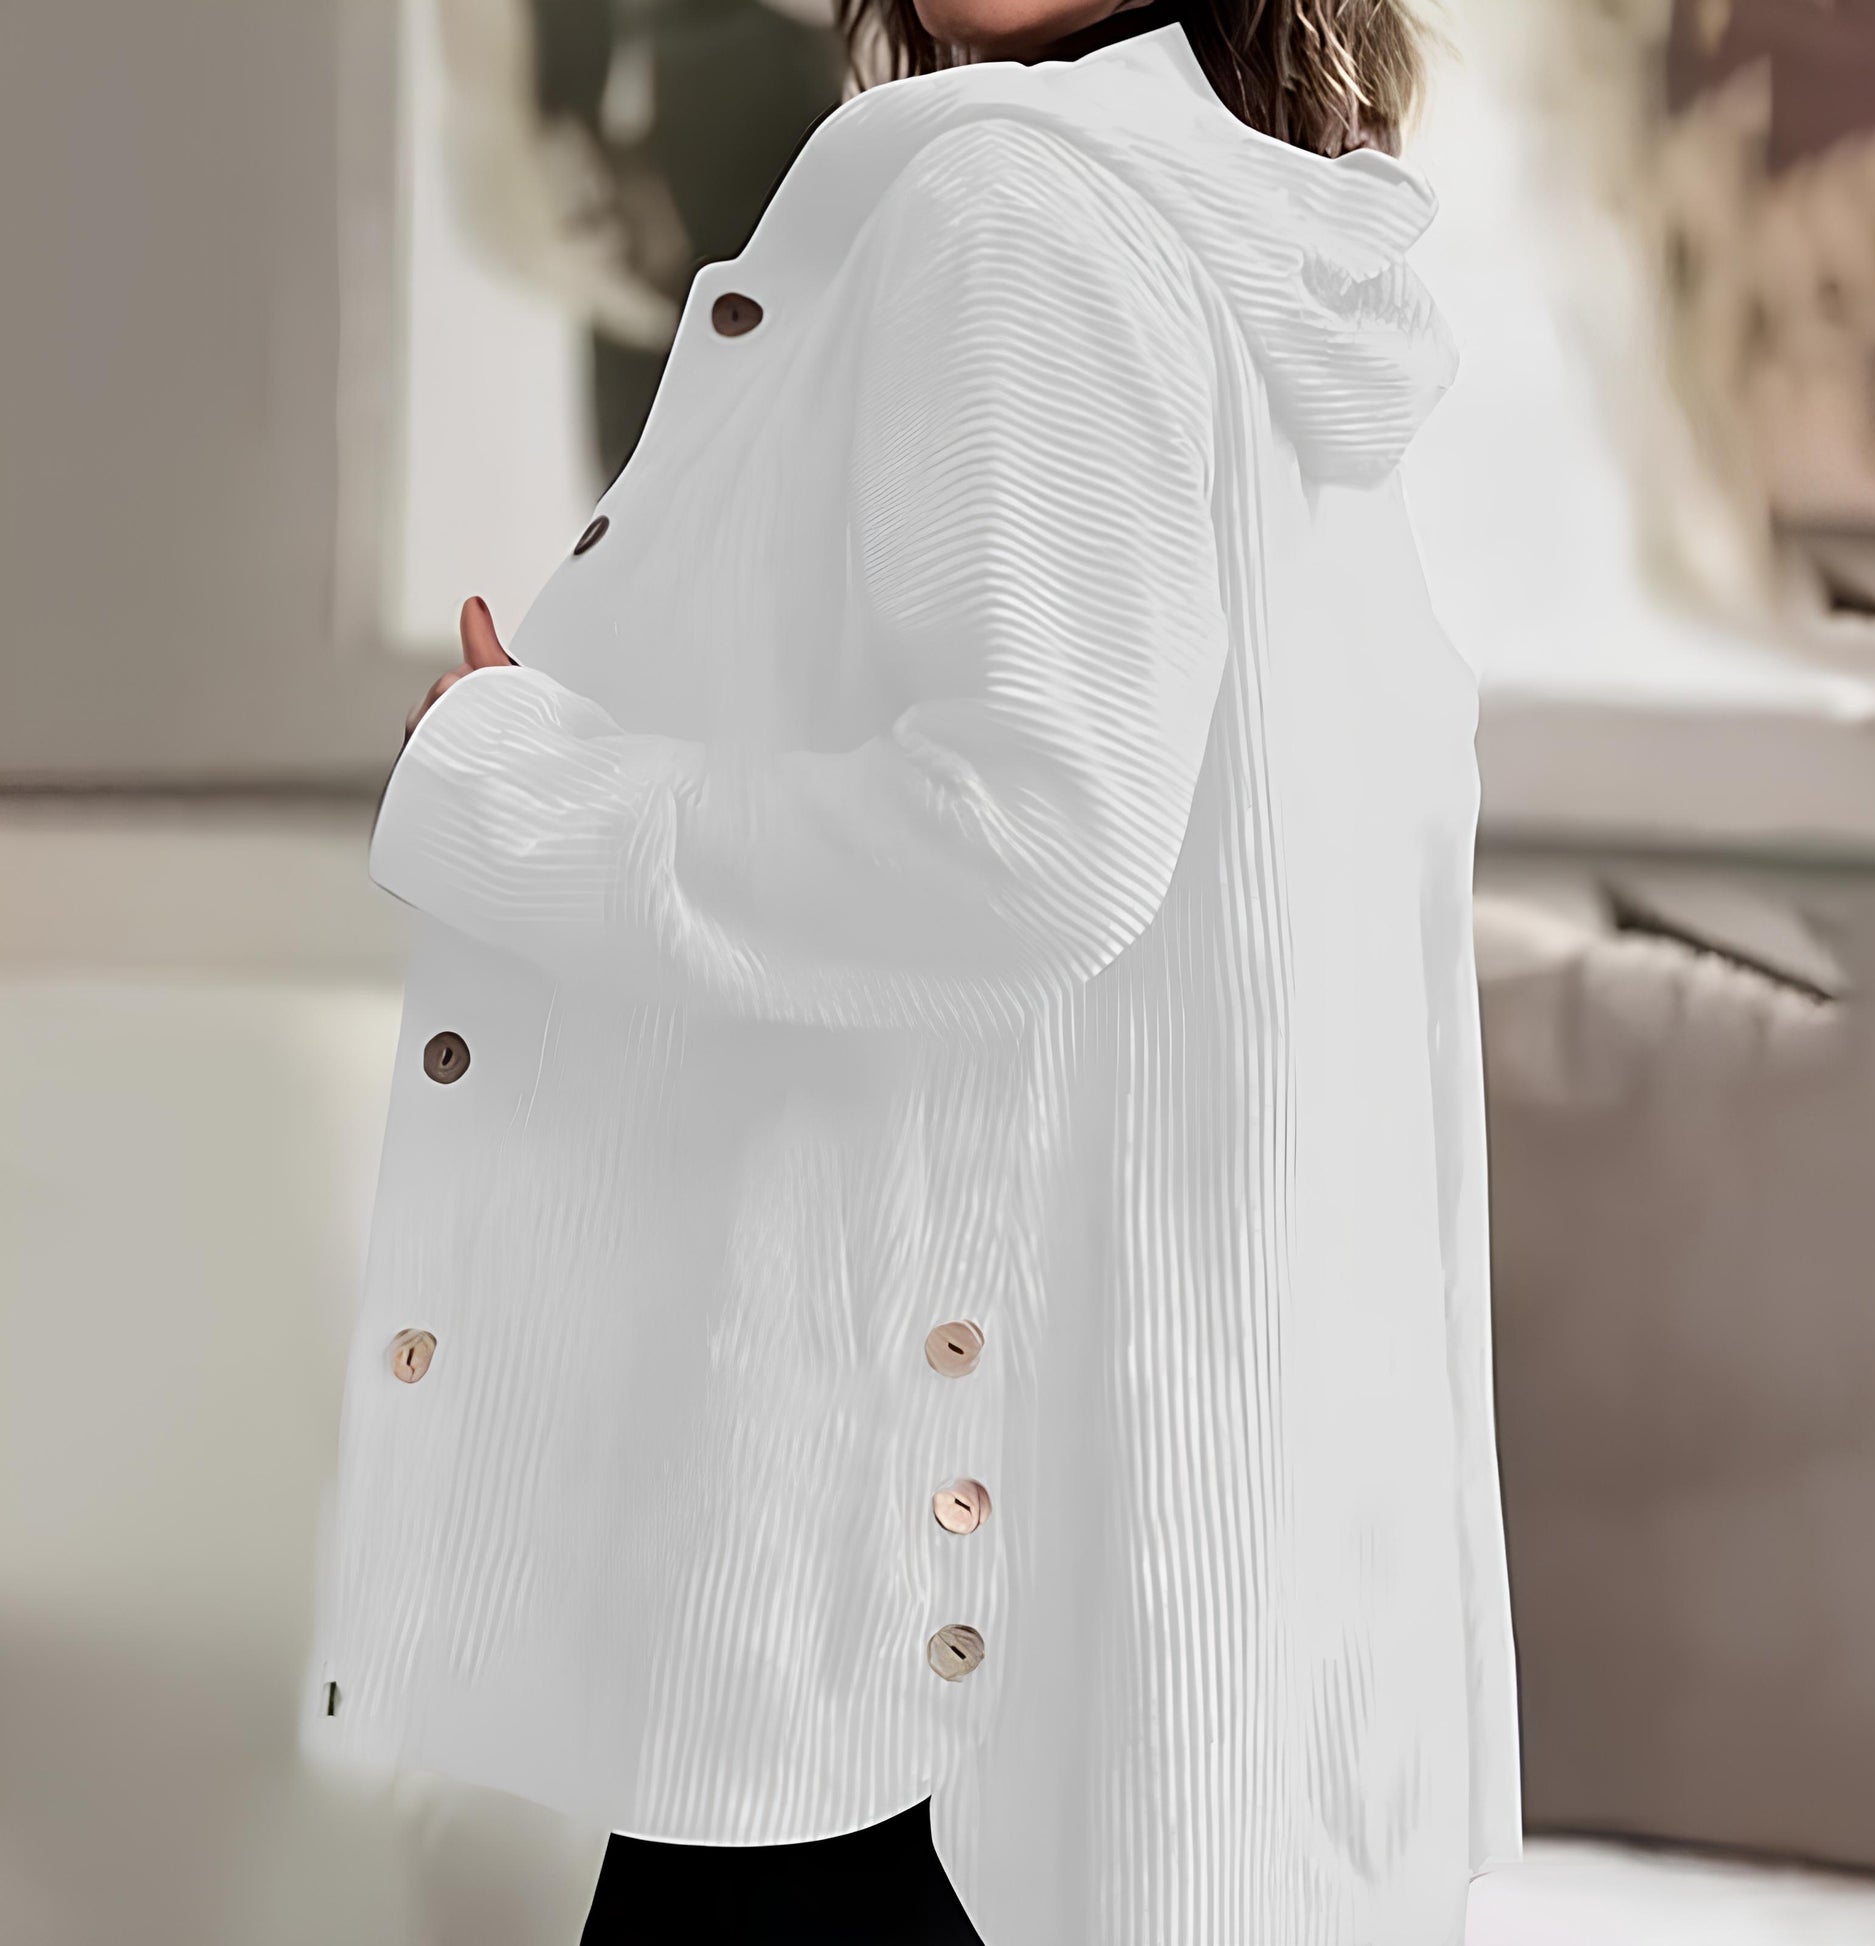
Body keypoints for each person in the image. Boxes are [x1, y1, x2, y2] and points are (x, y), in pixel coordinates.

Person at [304, 1, 1523, 1941]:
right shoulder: (1274, 259)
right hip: (1195, 1637)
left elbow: (1034, 835)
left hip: (915, 1632)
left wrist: (517, 782)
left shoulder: (1011, 213)